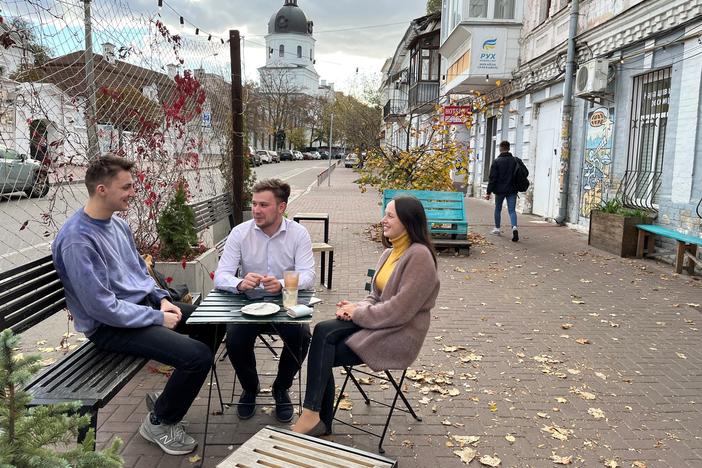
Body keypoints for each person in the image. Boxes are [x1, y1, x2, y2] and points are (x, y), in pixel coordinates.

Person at [51, 155, 223, 456]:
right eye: (127, 186)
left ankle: (170, 397)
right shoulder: (77, 240)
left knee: (213, 319)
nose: (133, 192)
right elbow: (101, 308)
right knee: (197, 356)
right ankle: (159, 422)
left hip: (139, 308)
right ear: (102, 189)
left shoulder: (116, 225)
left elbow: (139, 273)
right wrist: (155, 317)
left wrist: (162, 300)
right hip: (108, 326)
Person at [292, 196, 440, 436]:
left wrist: (358, 313)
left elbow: (399, 311)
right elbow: (375, 296)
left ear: (408, 221)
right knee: (322, 332)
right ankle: (315, 418)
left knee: (323, 348)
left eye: (390, 216)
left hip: (399, 334)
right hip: (379, 324)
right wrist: (354, 307)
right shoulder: (389, 253)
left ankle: (315, 417)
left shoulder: (420, 256)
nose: (383, 220)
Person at [214, 178, 315, 423]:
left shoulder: (298, 233)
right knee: (235, 339)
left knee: (301, 336)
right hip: (247, 303)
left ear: (281, 207)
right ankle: (250, 388)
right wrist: (239, 283)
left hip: (284, 301)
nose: (256, 210)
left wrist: (281, 283)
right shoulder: (240, 232)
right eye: (254, 204)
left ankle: (282, 388)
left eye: (263, 205)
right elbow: (221, 275)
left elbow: (309, 275)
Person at [485, 140, 520, 242]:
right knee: (512, 210)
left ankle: (497, 228)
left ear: (500, 148)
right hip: (512, 190)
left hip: (499, 190)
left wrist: (488, 192)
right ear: (509, 148)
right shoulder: (515, 161)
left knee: (498, 209)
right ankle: (514, 227)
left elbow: (492, 178)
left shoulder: (496, 161)